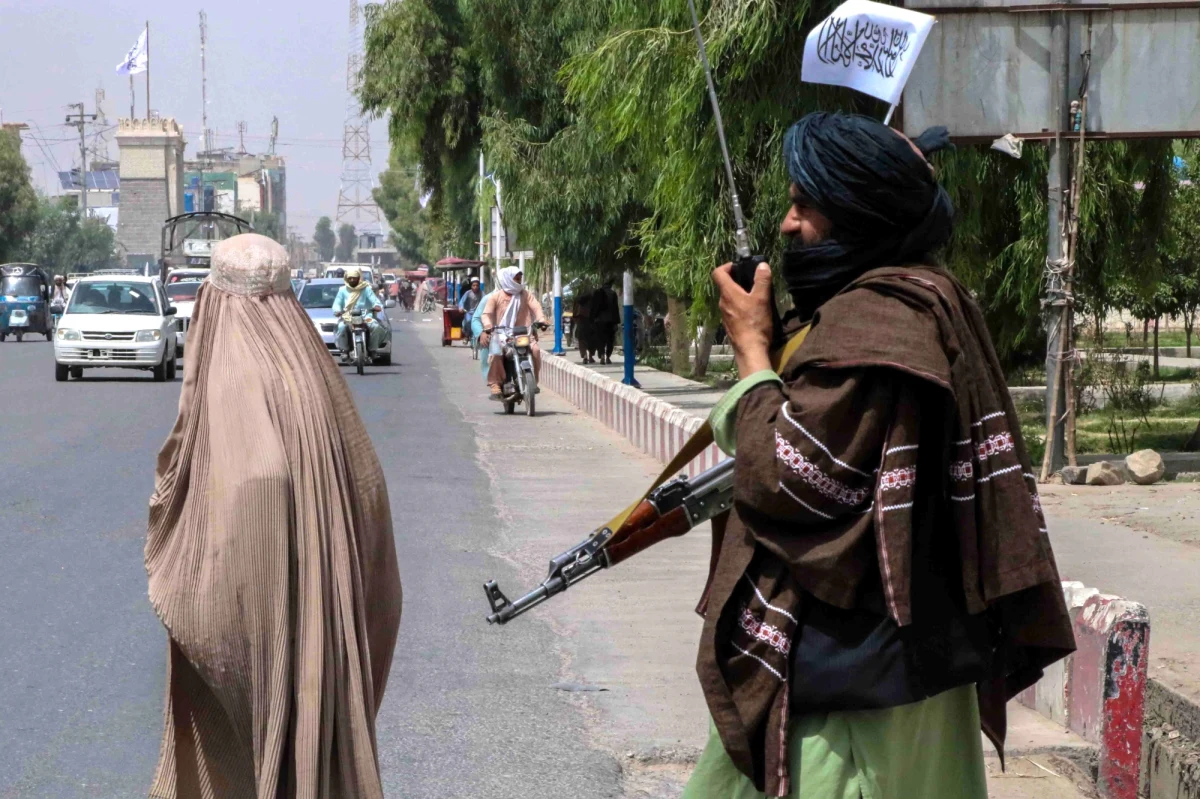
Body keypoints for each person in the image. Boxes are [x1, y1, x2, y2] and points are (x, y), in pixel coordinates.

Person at [682, 113, 1076, 799]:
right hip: (918, 663)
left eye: (805, 204)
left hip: (854, 683)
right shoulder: (929, 297)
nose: (786, 222)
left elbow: (790, 477)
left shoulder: (874, 321)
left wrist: (750, 348)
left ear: (853, 215)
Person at [144, 233, 401, 798]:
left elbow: (244, 487)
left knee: (246, 745)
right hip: (327, 624)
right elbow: (370, 498)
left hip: (257, 612)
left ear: (217, 297)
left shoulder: (231, 371)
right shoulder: (317, 378)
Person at [478, 266, 547, 400]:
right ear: (508, 279)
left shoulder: (526, 294)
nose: (519, 280)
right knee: (496, 353)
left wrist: (541, 320)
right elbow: (486, 314)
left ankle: (534, 381)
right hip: (501, 334)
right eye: (516, 278)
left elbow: (536, 307)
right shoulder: (495, 297)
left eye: (520, 278)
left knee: (536, 350)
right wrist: (488, 326)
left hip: (523, 333)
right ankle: (495, 384)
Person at [332, 266, 387, 361]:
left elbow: (374, 300)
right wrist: (337, 311)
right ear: (346, 279)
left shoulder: (366, 289)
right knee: (341, 327)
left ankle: (372, 349)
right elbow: (337, 303)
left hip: (365, 316)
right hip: (348, 316)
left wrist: (377, 306)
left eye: (354, 278)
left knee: (376, 326)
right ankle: (344, 350)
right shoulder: (342, 290)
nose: (352, 280)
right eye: (350, 278)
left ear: (359, 278)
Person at [591, 280, 621, 364]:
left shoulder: (597, 293)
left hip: (599, 320)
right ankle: (608, 356)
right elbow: (616, 308)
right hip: (611, 320)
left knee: (600, 339)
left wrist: (592, 319)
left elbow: (594, 307)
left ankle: (602, 356)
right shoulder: (613, 294)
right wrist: (616, 322)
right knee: (610, 339)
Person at [571, 290, 598, 364]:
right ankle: (590, 356)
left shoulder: (578, 300)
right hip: (590, 322)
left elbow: (574, 311)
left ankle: (585, 355)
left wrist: (575, 319)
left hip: (581, 321)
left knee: (582, 340)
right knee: (592, 339)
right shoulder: (592, 300)